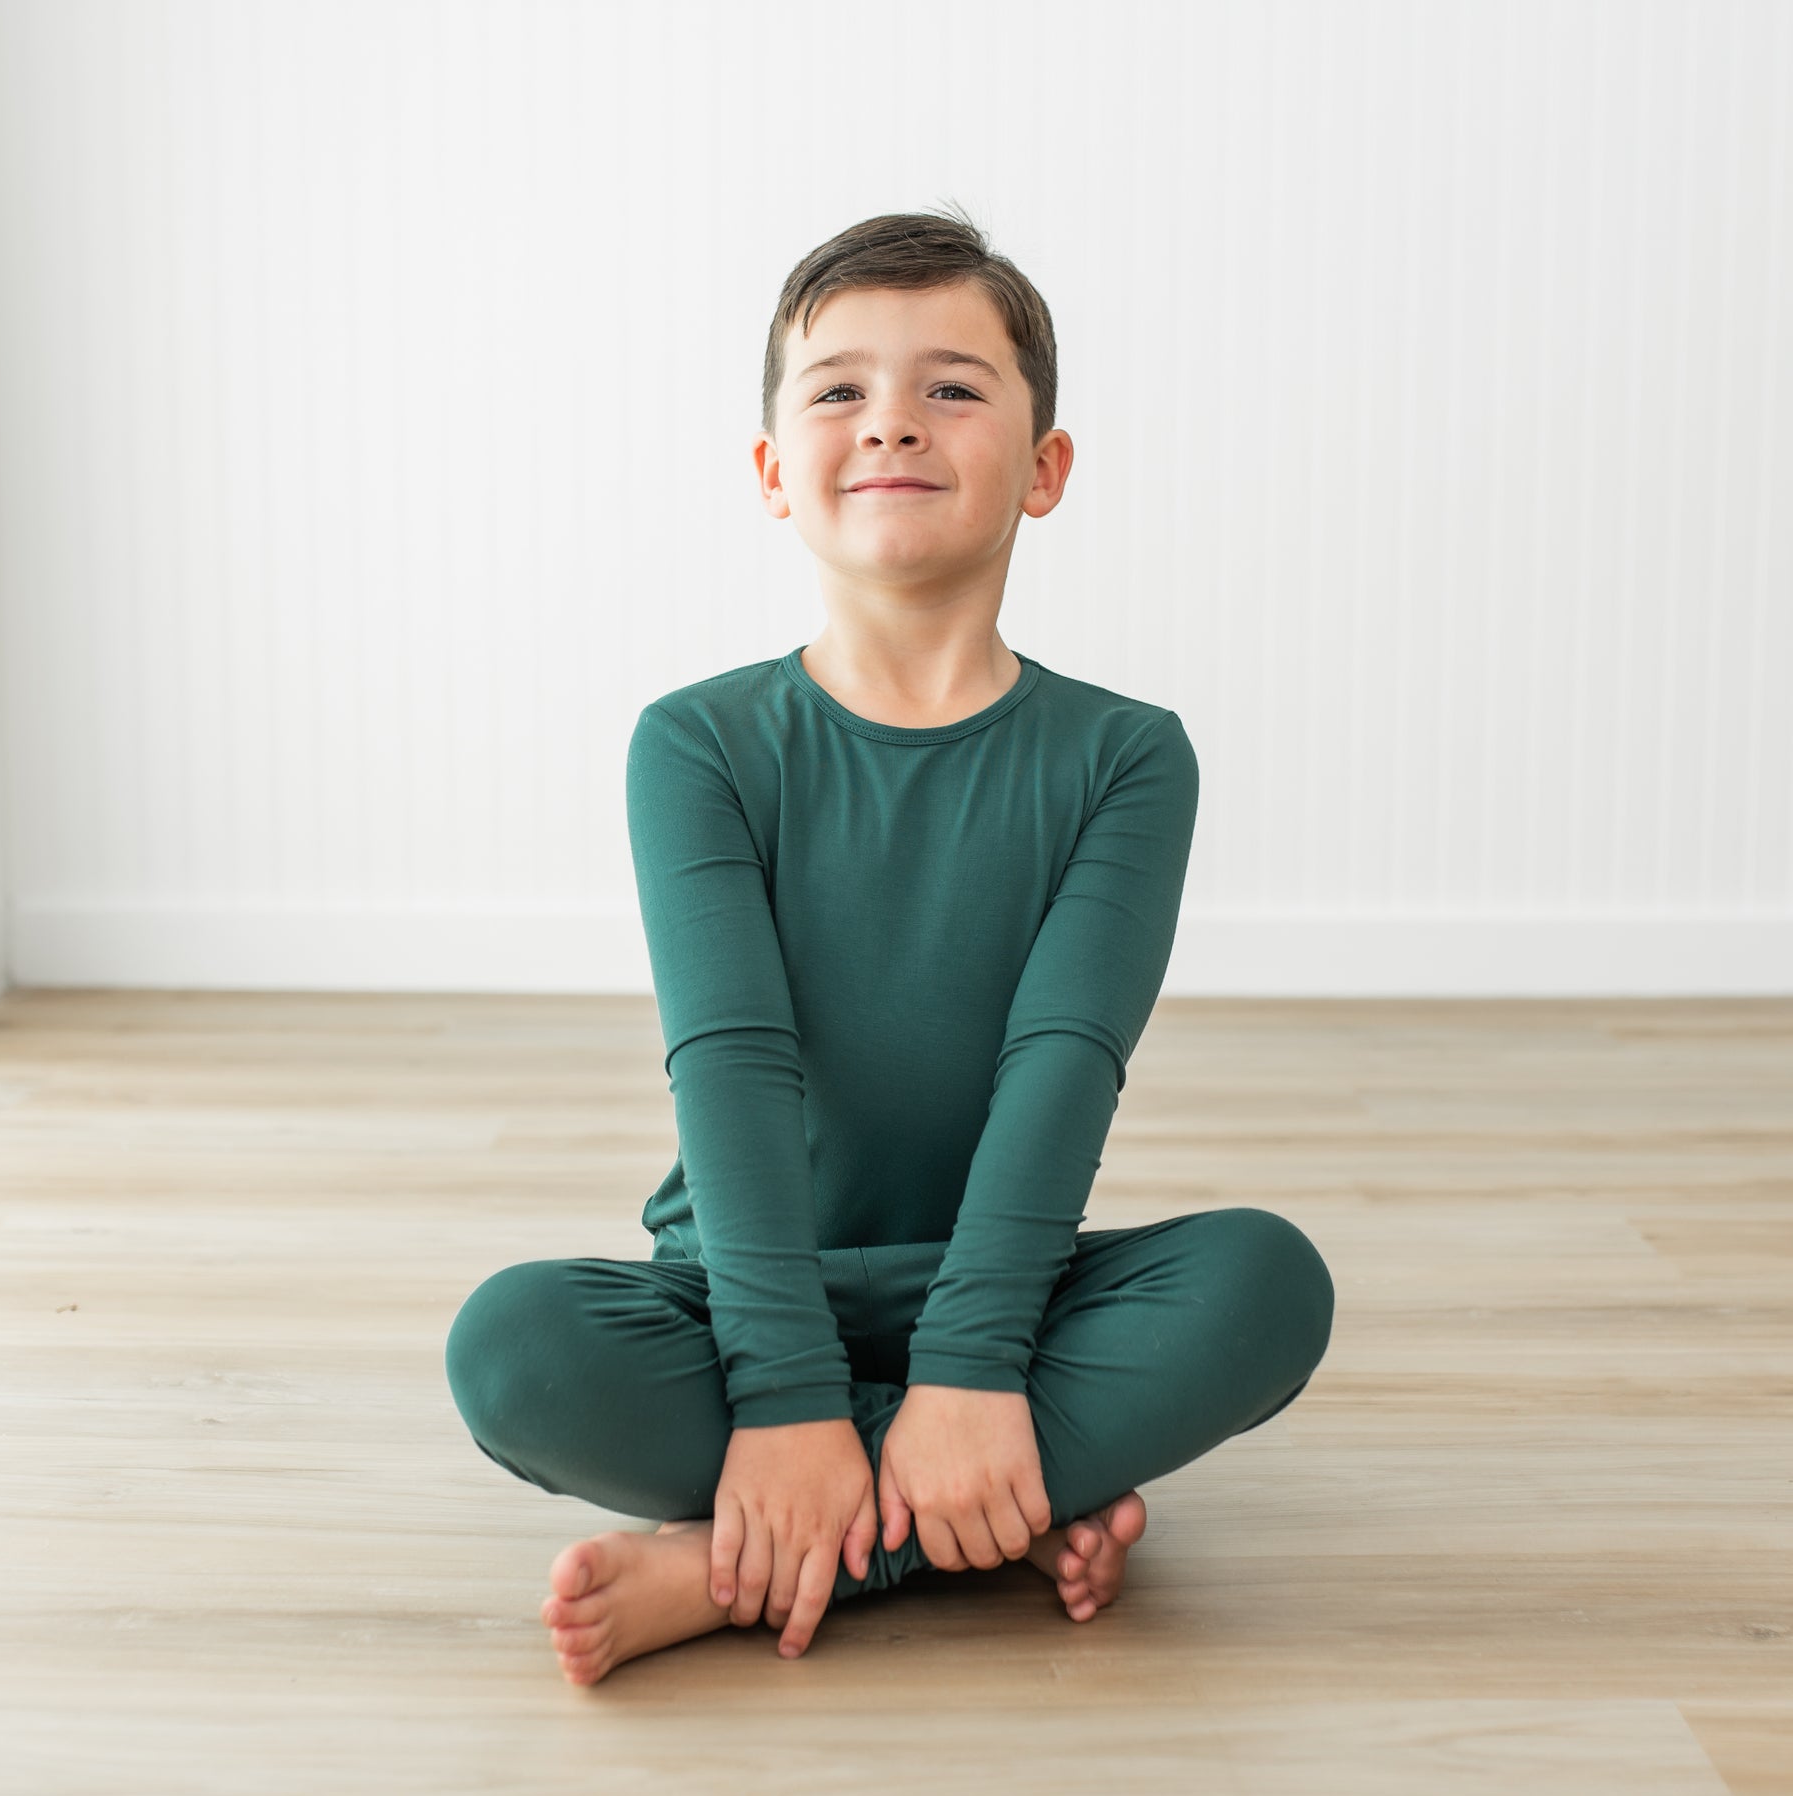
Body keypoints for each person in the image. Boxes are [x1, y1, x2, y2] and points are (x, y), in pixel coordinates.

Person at [445, 205, 1335, 1687]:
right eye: (840, 388)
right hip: (747, 1290)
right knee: (516, 1347)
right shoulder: (699, 743)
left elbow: (1065, 1063)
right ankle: (978, 1508)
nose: (893, 424)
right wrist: (785, 1394)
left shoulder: (1129, 757)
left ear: (1045, 470)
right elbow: (728, 1065)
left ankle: (745, 1570)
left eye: (955, 388)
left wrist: (976, 1362)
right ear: (772, 474)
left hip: (1012, 1282)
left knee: (1269, 1284)